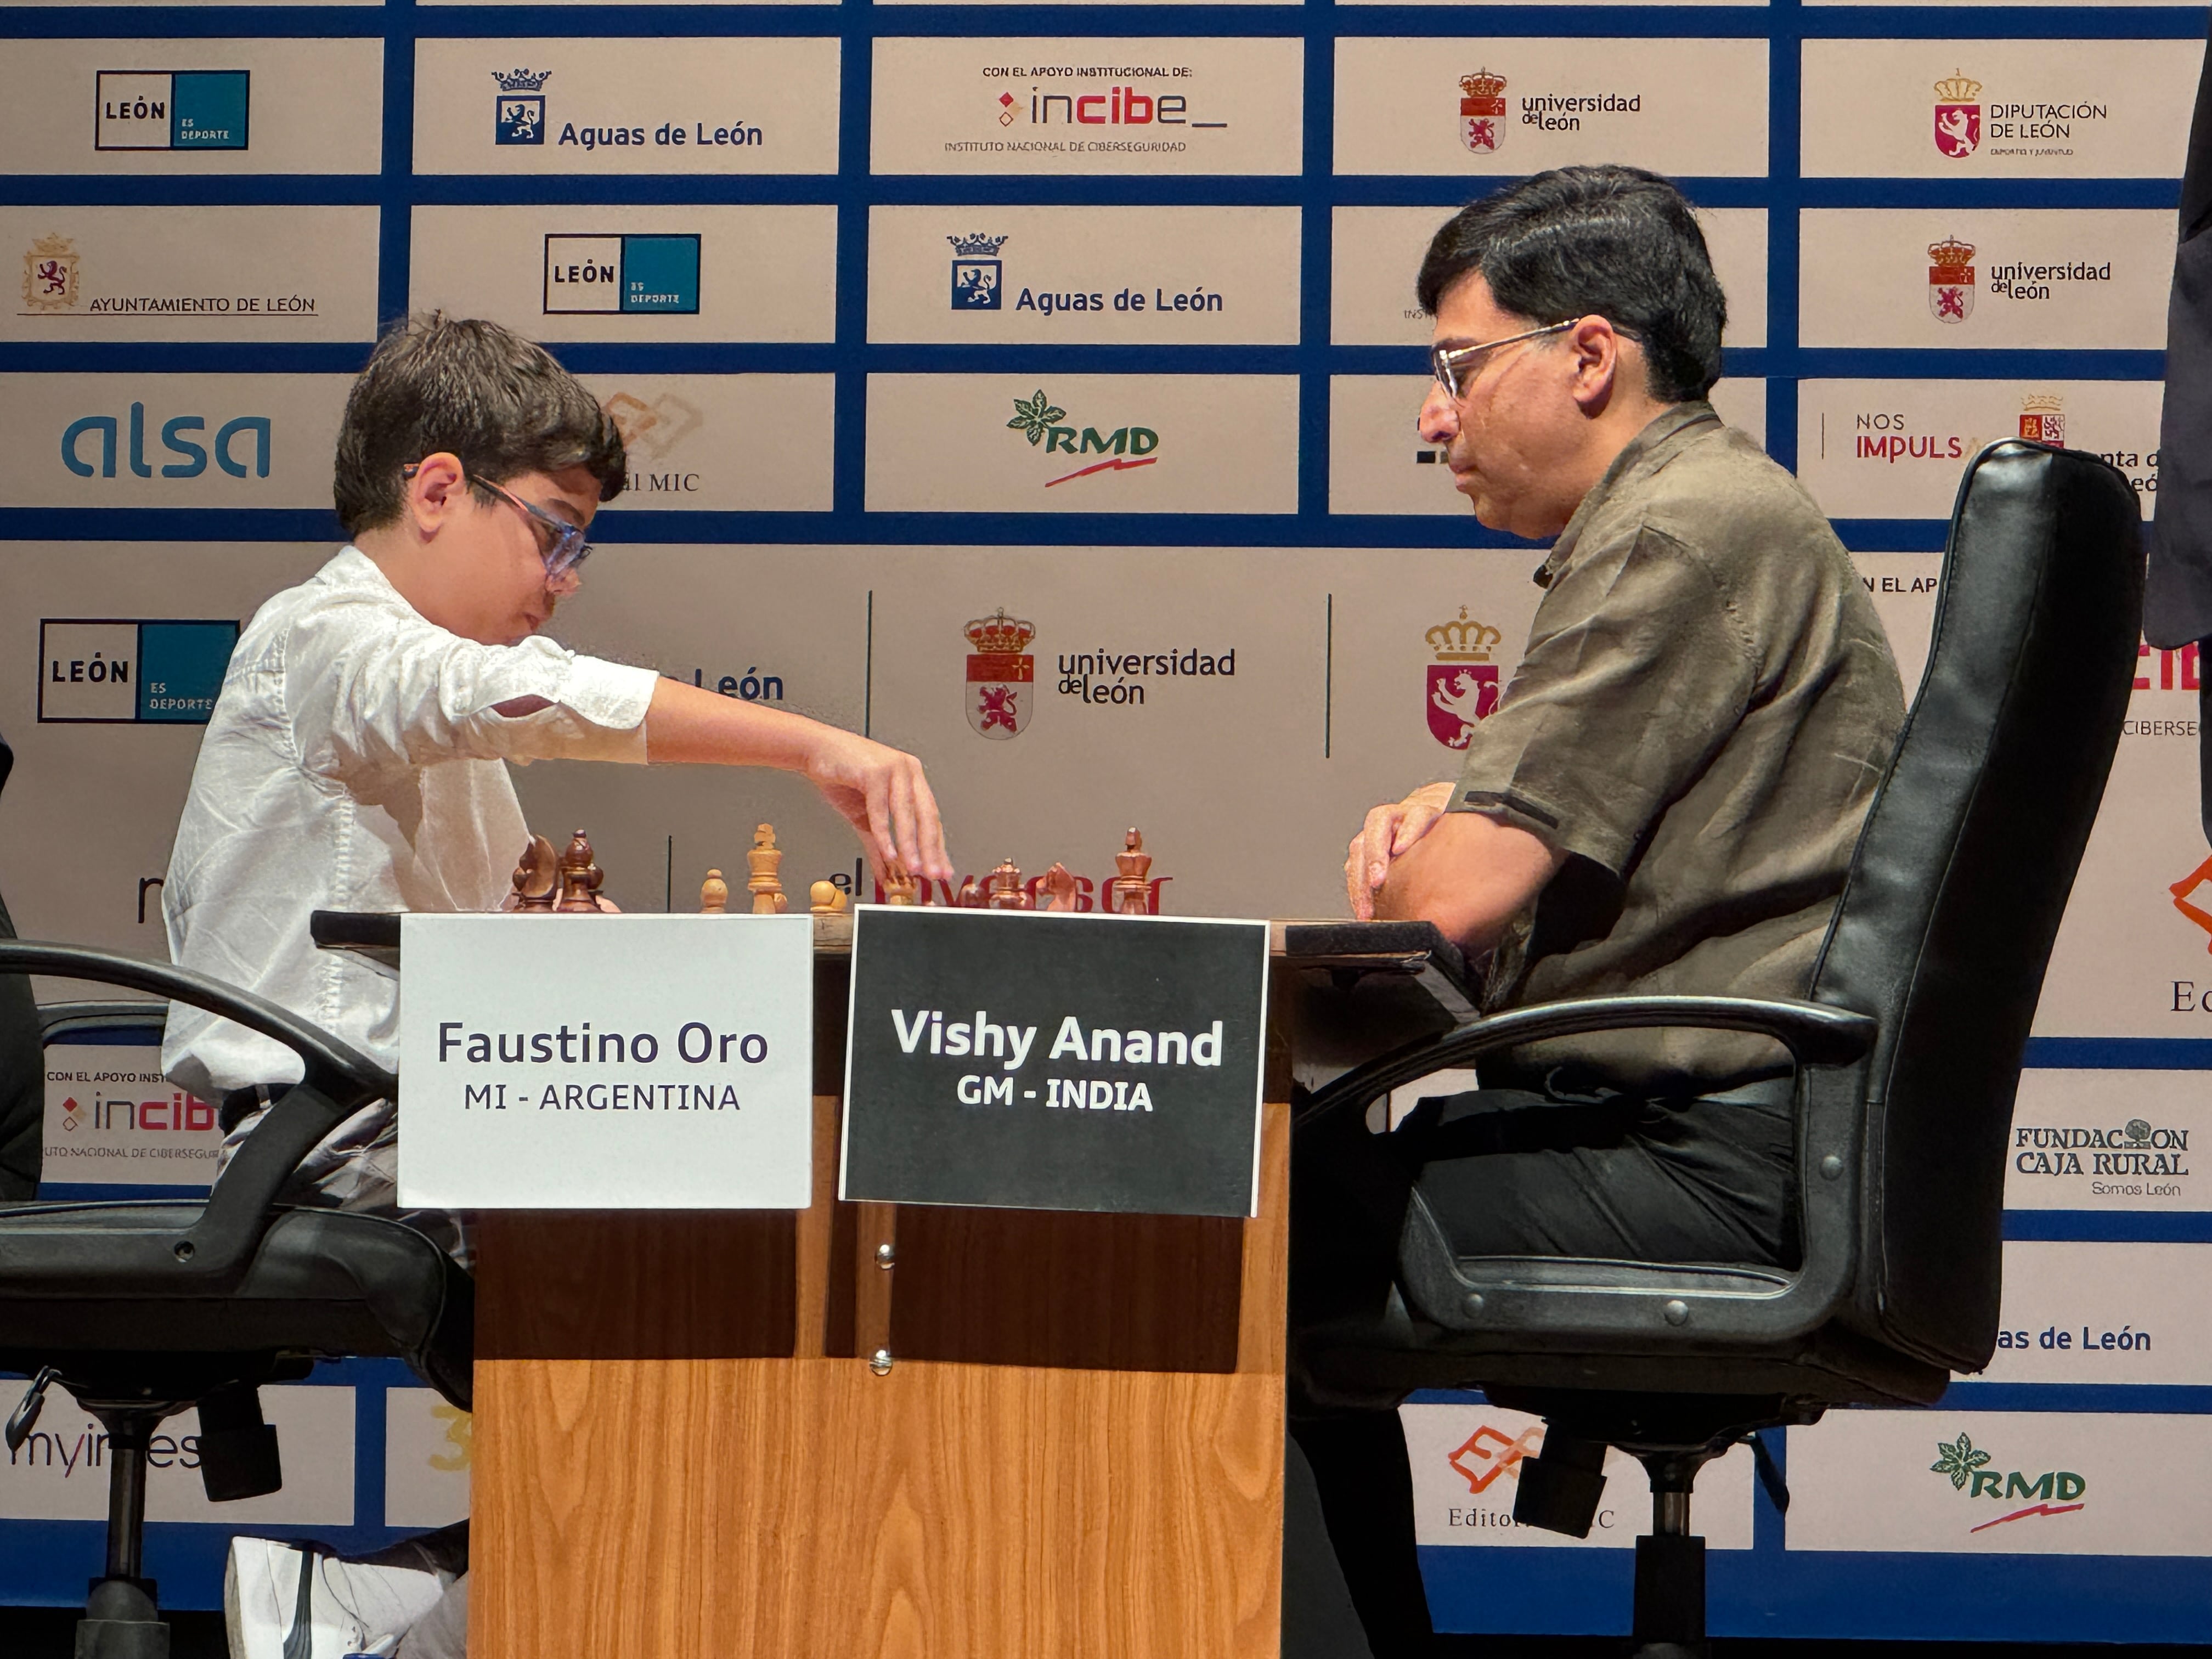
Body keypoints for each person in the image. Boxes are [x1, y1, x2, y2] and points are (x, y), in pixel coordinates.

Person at [162, 313, 956, 1659]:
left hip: (451, 1135)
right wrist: (816, 747)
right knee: (722, 1322)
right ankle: (384, 1614)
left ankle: (367, 1608)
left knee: (786, 1295)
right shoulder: (326, 642)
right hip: (350, 1150)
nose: (567, 574)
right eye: (553, 529)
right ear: (433, 492)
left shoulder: (415, 704)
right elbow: (525, 694)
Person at [1284, 167, 1906, 1656]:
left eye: (1456, 367)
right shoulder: (1725, 511)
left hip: (1699, 1161)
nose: (1432, 419)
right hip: (1748, 1142)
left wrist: (1440, 859)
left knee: (1222, 1236)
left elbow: (1438, 913)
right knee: (1291, 1198)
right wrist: (1465, 823)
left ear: (1585, 355)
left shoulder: (1673, 529)